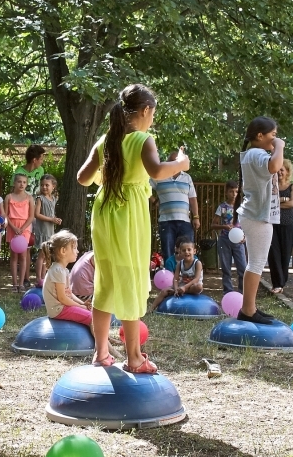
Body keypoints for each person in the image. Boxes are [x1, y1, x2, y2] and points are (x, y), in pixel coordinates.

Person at [77, 83, 189, 372]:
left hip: (104, 213)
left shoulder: (106, 140)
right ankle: (134, 358)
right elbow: (156, 171)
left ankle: (101, 354)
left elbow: (82, 178)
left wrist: (106, 171)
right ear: (146, 110)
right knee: (129, 279)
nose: (152, 120)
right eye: (153, 114)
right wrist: (180, 163)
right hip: (129, 216)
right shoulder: (143, 139)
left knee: (106, 281)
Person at [235, 116, 285, 324]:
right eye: (273, 135)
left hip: (255, 214)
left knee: (254, 263)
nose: (275, 139)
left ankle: (249, 308)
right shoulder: (257, 153)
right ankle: (247, 310)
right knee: (256, 263)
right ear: (260, 135)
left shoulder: (254, 154)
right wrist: (279, 147)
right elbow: (274, 166)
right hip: (257, 216)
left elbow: (272, 168)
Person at [41, 231, 120, 359]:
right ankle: (108, 350)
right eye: (74, 248)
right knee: (93, 318)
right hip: (58, 309)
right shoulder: (58, 271)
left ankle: (107, 339)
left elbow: (69, 293)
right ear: (63, 251)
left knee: (92, 313)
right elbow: (62, 298)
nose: (77, 251)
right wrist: (82, 307)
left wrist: (82, 303)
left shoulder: (63, 269)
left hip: (62, 307)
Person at [150, 150, 200, 261]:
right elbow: (144, 187)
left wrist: (196, 217)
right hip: (166, 221)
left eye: (175, 161)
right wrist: (154, 201)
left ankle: (187, 276)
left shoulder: (187, 178)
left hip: (185, 221)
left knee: (188, 251)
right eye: (170, 161)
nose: (173, 164)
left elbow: (192, 198)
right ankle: (169, 276)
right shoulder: (159, 176)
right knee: (167, 252)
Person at [269, 159, 293, 293]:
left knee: (285, 255)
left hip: (287, 225)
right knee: (273, 254)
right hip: (272, 224)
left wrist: (276, 203)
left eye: (282, 169)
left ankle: (281, 283)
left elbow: (292, 204)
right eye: (278, 169)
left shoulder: (292, 187)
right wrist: (283, 200)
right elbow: (267, 203)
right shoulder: (271, 185)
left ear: (287, 172)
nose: (280, 172)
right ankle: (277, 284)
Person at [212, 180, 247, 294]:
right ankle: (228, 291)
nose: (234, 194)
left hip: (239, 241)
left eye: (236, 191)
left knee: (242, 268)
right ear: (226, 192)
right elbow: (213, 224)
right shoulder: (222, 207)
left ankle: (242, 292)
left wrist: (245, 236)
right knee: (226, 268)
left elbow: (248, 224)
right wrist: (224, 226)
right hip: (224, 240)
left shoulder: (242, 207)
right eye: (231, 191)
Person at [150, 239, 203, 311]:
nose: (186, 252)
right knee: (164, 291)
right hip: (181, 285)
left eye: (189, 250)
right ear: (180, 252)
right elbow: (175, 279)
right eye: (184, 250)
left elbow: (196, 278)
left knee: (199, 287)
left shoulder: (197, 263)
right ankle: (151, 308)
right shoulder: (179, 264)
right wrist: (175, 289)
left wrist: (185, 288)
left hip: (192, 286)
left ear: (194, 251)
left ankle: (184, 292)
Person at [4, 173, 34, 292]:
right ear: (14, 183)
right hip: (12, 227)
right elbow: (5, 214)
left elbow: (31, 216)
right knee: (14, 256)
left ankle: (22, 283)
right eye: (19, 182)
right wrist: (12, 227)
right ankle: (14, 284)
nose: (22, 184)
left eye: (24, 182)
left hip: (24, 228)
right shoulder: (9, 197)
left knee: (23, 255)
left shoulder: (29, 198)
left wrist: (22, 228)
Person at [33, 174, 62, 287]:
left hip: (50, 231)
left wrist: (55, 219)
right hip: (42, 231)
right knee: (41, 255)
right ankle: (38, 278)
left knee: (46, 255)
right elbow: (37, 214)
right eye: (42, 185)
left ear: (53, 186)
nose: (44, 187)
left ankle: (44, 278)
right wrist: (51, 219)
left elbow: (51, 213)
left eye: (47, 185)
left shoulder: (54, 198)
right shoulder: (40, 199)